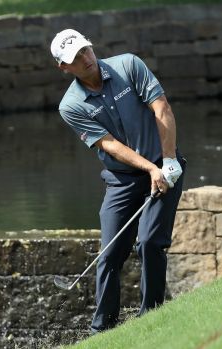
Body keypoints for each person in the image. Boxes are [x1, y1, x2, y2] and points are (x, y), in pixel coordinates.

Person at [50, 28, 185, 333]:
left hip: (166, 164)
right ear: (64, 67)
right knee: (109, 253)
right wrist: (149, 169)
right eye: (76, 57)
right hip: (122, 180)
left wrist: (168, 161)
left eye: (86, 49)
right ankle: (102, 329)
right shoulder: (70, 106)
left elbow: (161, 107)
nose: (86, 58)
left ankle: (152, 315)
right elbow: (108, 144)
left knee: (150, 242)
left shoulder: (128, 65)